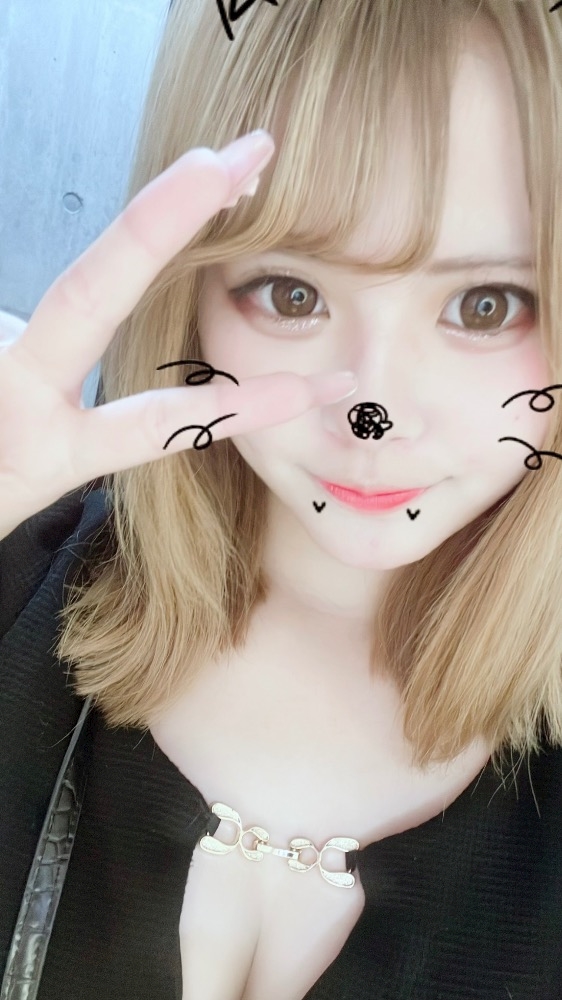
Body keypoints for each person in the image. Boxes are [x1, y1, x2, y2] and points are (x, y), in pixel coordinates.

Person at [1, 0, 562, 997]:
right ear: (190, 289)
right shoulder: (20, 574)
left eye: (486, 305)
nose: (374, 411)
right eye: (291, 293)